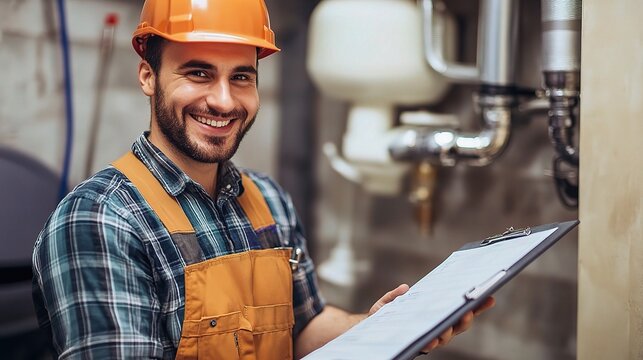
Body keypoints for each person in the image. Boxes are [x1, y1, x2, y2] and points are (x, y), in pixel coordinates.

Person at [32, 0, 494, 358]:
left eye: (241, 77)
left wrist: (389, 325)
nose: (224, 101)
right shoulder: (100, 221)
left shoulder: (268, 200)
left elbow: (304, 329)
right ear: (148, 76)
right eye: (198, 73)